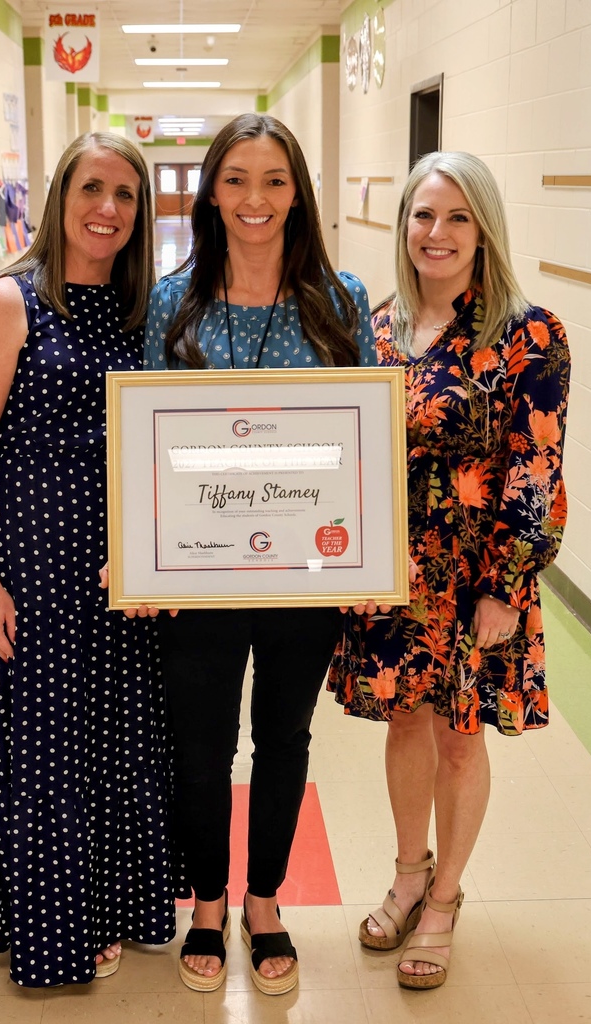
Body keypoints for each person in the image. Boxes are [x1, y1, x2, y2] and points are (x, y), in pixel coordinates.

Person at [144, 112, 374, 996]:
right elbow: (144, 443)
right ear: (210, 192)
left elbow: (363, 437)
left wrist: (368, 556)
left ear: (298, 193)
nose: (255, 198)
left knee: (283, 739)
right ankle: (208, 901)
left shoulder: (339, 299)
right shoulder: (173, 301)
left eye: (275, 180)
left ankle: (264, 900)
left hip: (304, 574)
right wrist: (143, 555)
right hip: (198, 572)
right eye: (236, 178)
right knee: (201, 748)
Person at [330, 150, 570, 990]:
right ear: (404, 224)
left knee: (459, 738)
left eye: (458, 217)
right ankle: (408, 873)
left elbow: (537, 468)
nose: (437, 232)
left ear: (484, 230)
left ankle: (445, 898)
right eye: (424, 215)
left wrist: (506, 586)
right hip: (392, 573)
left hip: (475, 580)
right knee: (404, 724)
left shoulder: (528, 333)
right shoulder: (377, 327)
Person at [0, 132, 177, 987]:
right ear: (59, 197)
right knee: (45, 746)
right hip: (35, 568)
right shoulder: (6, 302)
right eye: (90, 189)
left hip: (122, 571)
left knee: (117, 740)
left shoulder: (143, 310)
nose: (107, 208)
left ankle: (110, 908)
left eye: (125, 194)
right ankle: (51, 929)